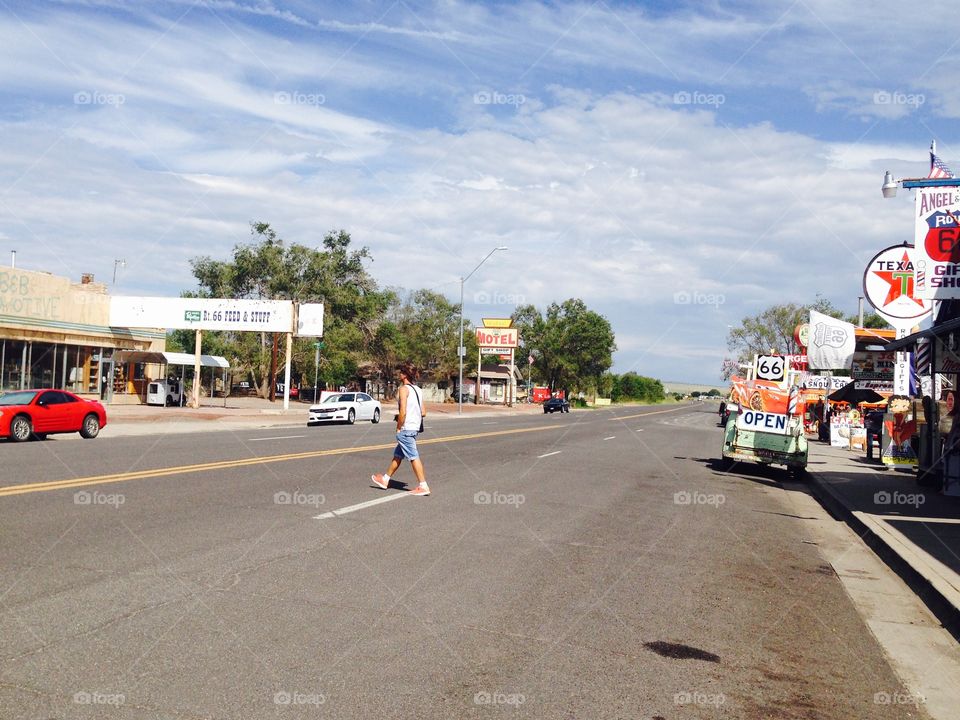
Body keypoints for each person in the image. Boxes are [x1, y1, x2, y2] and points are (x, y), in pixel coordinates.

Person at [371, 363, 430, 496]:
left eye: (400, 373)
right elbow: (423, 412)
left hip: (406, 428)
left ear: (404, 375)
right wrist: (409, 415)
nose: (398, 375)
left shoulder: (403, 389)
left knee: (413, 457)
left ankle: (423, 485)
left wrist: (399, 427)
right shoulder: (418, 390)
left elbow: (403, 411)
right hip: (414, 427)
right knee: (398, 455)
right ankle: (385, 479)